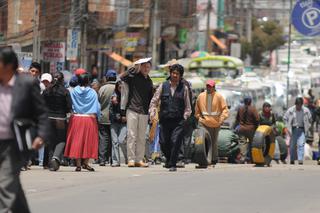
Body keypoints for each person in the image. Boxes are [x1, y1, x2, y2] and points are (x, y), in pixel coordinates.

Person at [0, 48, 49, 212]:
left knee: (5, 182)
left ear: (8, 65)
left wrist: (41, 135)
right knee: (12, 184)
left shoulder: (26, 83)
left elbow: (41, 112)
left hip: (15, 143)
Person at [149, 64, 191, 171]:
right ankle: (169, 159)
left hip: (178, 121)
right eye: (173, 73)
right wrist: (153, 113)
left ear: (181, 75)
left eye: (177, 73)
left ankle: (173, 164)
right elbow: (154, 101)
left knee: (175, 140)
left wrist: (185, 117)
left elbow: (188, 106)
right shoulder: (163, 86)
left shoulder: (184, 88)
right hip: (165, 120)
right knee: (163, 142)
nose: (175, 75)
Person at [64, 73, 101, 172]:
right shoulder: (93, 92)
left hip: (76, 118)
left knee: (77, 141)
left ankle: (78, 164)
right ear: (88, 81)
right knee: (89, 141)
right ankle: (86, 163)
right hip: (89, 118)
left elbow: (69, 104)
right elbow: (97, 107)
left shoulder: (73, 91)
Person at [121, 58, 153, 167]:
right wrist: (133, 68)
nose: (145, 69)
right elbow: (122, 77)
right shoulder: (133, 77)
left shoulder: (149, 81)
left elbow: (150, 98)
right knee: (131, 135)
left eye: (148, 67)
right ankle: (131, 159)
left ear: (150, 69)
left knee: (141, 137)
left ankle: (139, 159)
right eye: (144, 66)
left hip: (144, 111)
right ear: (140, 67)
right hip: (132, 109)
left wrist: (152, 112)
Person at [194, 79, 229, 168]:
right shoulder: (201, 96)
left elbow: (225, 110)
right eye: (207, 86)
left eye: (210, 86)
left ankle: (213, 159)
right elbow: (197, 110)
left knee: (213, 142)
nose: (208, 88)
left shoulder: (219, 97)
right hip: (203, 123)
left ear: (214, 87)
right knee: (201, 141)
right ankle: (202, 158)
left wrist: (221, 120)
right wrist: (199, 118)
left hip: (215, 124)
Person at [42, 72, 72, 171]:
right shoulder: (65, 91)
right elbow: (69, 106)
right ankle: (55, 158)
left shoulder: (47, 91)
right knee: (61, 140)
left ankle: (51, 162)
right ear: (62, 80)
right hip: (60, 119)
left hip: (48, 118)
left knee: (51, 140)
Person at [284, 97, 312, 165]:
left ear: (302, 104)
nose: (298, 106)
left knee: (301, 144)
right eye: (297, 105)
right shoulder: (291, 110)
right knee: (292, 146)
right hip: (293, 129)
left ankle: (300, 160)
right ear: (295, 104)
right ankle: (292, 159)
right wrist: (287, 126)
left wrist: (308, 126)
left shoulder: (306, 110)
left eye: (300, 105)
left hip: (302, 129)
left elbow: (310, 119)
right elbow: (285, 118)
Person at [98, 69, 117, 166]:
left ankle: (102, 159)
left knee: (103, 138)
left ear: (107, 77)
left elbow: (98, 102)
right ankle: (112, 159)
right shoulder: (118, 87)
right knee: (113, 139)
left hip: (103, 117)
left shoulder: (103, 88)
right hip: (115, 118)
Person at [235, 97, 259, 163]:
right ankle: (252, 159)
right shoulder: (253, 109)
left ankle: (242, 158)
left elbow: (237, 119)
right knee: (252, 144)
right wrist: (256, 127)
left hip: (242, 129)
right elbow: (257, 119)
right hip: (251, 129)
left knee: (242, 143)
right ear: (250, 102)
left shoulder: (240, 109)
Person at [110, 81, 127, 167]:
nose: (121, 89)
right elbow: (111, 111)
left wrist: (126, 116)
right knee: (115, 141)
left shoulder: (127, 97)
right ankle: (116, 161)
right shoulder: (114, 97)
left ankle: (128, 157)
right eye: (119, 87)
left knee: (121, 140)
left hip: (124, 122)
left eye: (122, 87)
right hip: (114, 122)